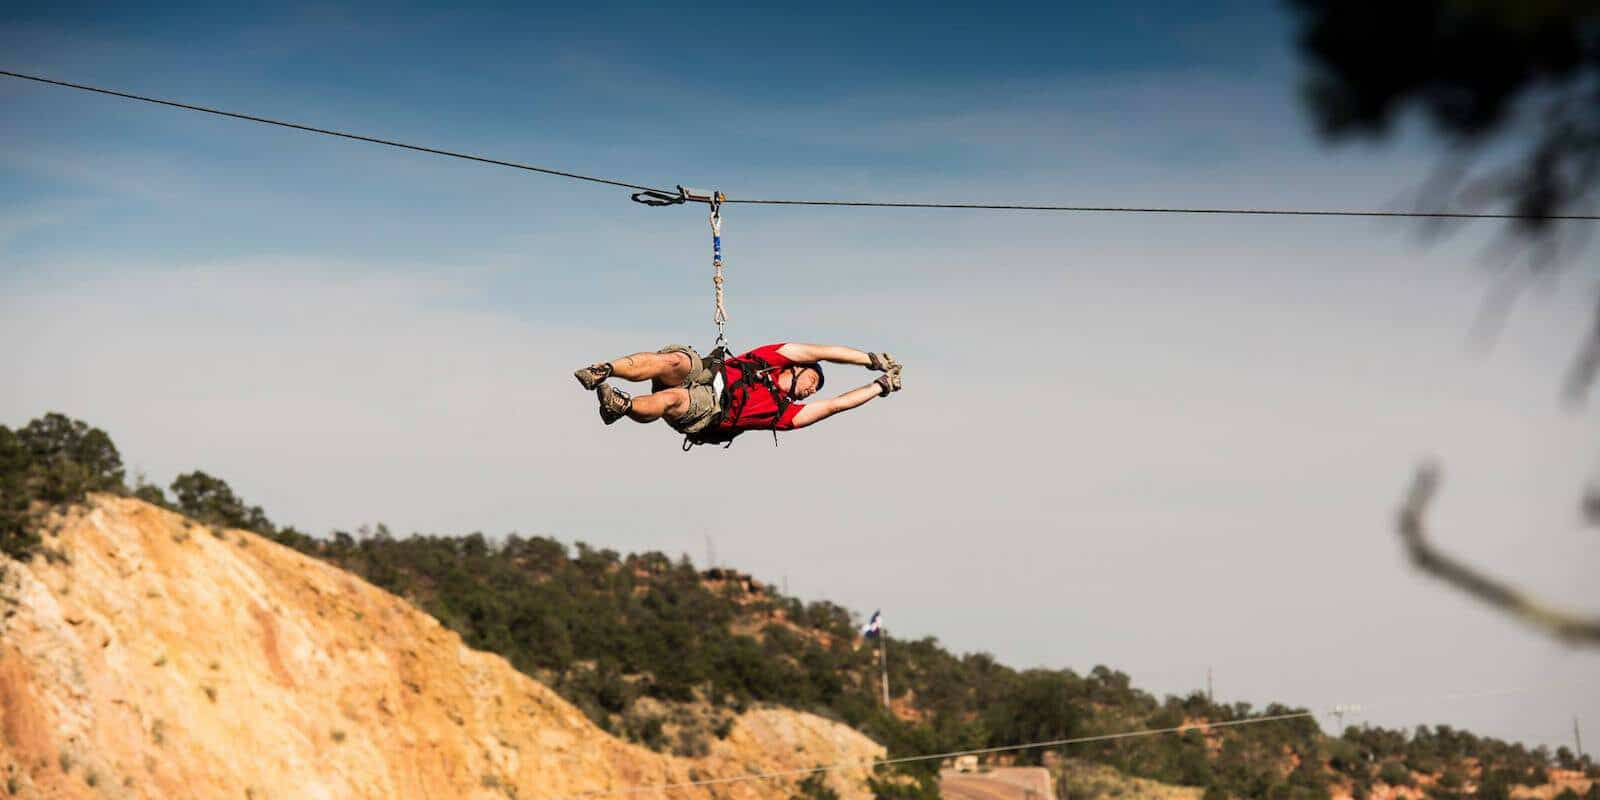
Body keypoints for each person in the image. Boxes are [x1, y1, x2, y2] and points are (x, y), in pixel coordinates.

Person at [573, 343, 902, 440]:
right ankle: (604, 370)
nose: (810, 392)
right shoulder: (770, 359)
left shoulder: (783, 414)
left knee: (675, 399)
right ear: (798, 369)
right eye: (812, 383)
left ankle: (622, 405)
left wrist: (879, 387)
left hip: (709, 411)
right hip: (707, 372)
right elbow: (821, 351)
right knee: (674, 361)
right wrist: (869, 360)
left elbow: (835, 405)